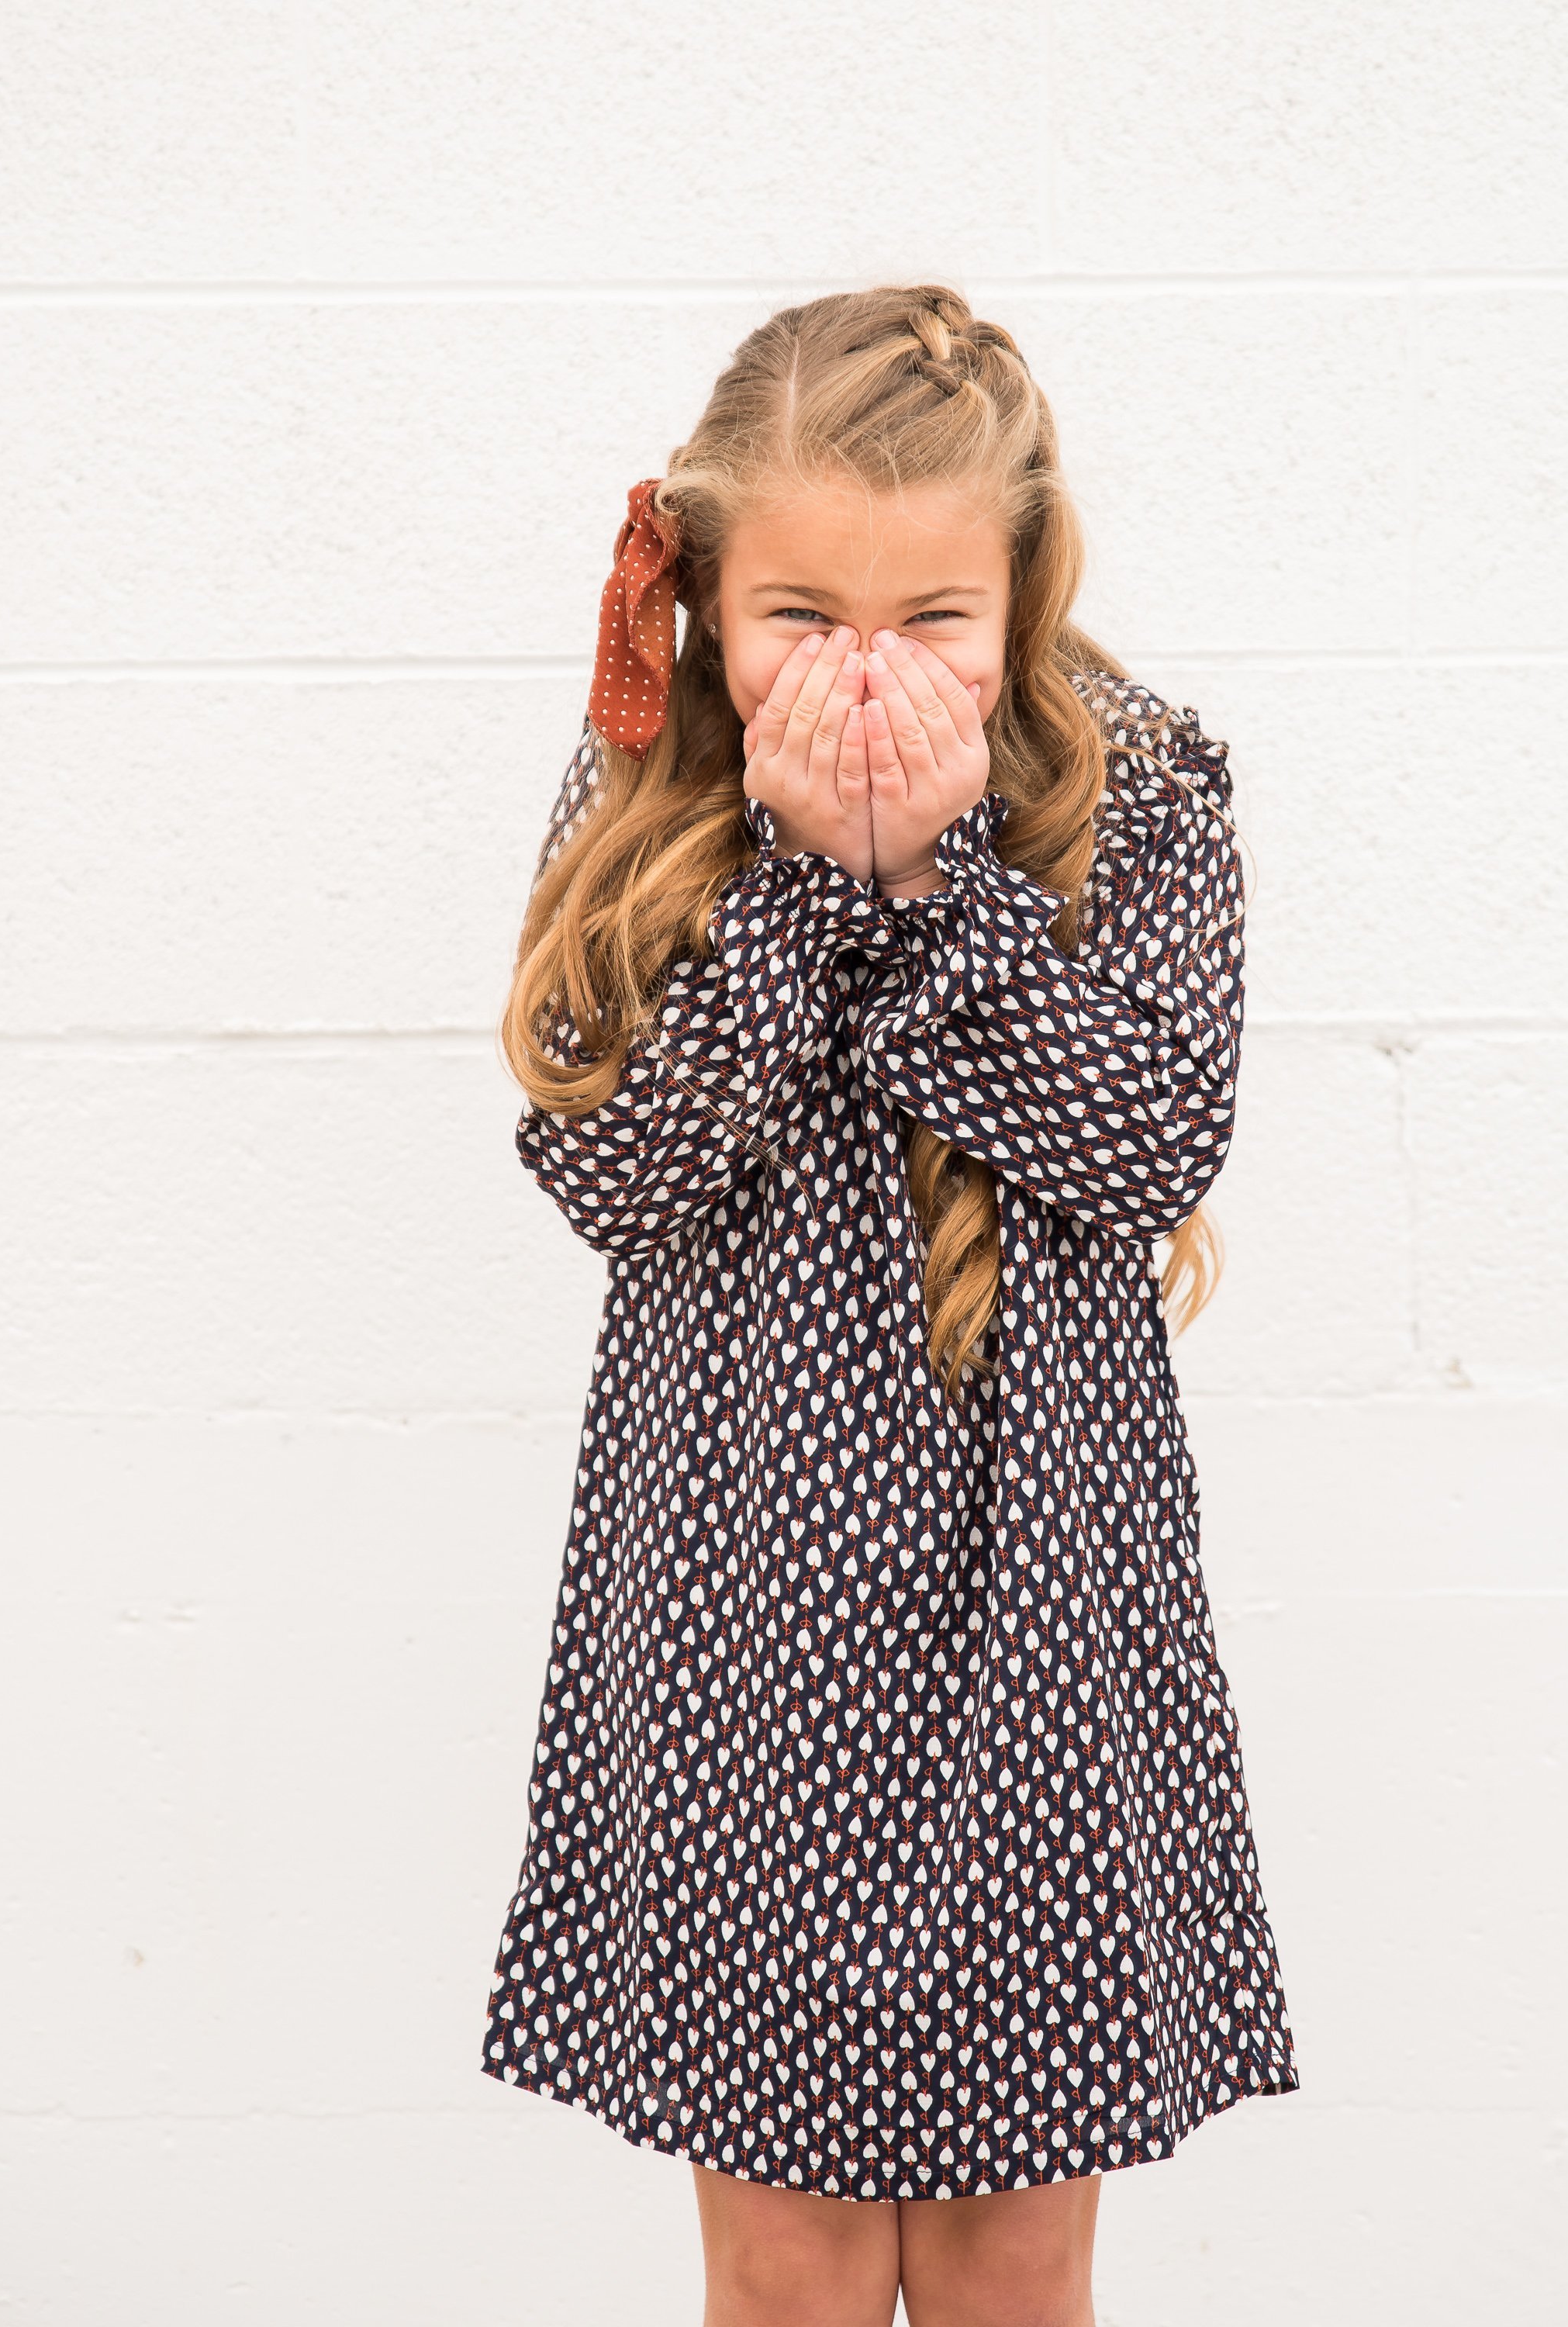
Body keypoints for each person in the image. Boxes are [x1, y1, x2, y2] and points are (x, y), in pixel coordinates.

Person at [482, 283, 1297, 2327]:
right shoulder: (642, 808)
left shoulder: (1148, 793)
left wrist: (940, 887)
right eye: (799, 619)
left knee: (1019, 2262)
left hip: (1047, 1623)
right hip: (752, 1623)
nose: (867, 674)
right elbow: (618, 1174)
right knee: (791, 2261)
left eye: (932, 619)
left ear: (1022, 595)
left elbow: (1141, 1152)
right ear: (703, 599)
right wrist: (796, 878)